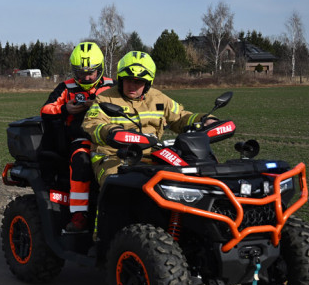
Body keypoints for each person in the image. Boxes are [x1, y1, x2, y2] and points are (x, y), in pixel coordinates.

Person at [82, 50, 205, 189]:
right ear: (120, 78)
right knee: (119, 186)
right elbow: (91, 123)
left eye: (138, 82)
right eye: (128, 80)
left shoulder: (158, 98)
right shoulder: (105, 99)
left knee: (186, 181)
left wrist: (205, 120)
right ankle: (105, 211)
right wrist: (111, 131)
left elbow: (181, 117)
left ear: (148, 83)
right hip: (112, 157)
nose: (132, 86)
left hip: (153, 155)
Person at [40, 42, 115, 232]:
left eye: (91, 73)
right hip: (81, 140)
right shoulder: (66, 87)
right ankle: (79, 216)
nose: (87, 77)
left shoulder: (112, 86)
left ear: (100, 69)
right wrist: (65, 109)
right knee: (80, 160)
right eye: (81, 73)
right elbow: (46, 109)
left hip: (112, 139)